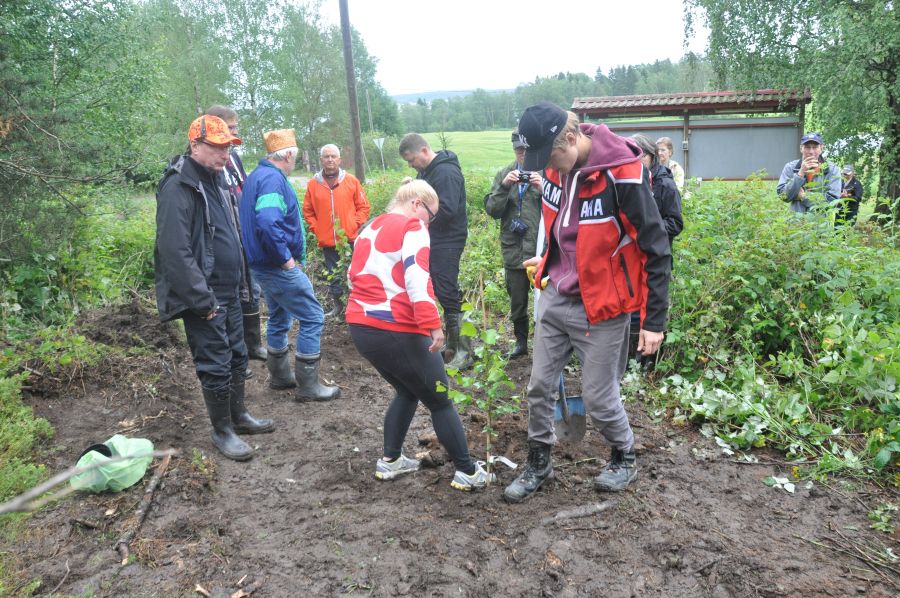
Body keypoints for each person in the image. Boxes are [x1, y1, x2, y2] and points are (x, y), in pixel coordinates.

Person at [503, 102, 671, 503]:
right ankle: (539, 462)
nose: (551, 168)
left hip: (605, 307)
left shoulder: (623, 174)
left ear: (572, 139)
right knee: (539, 387)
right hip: (556, 296)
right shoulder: (554, 169)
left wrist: (654, 320)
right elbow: (563, 227)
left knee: (598, 396)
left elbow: (656, 247)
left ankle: (624, 455)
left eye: (554, 157)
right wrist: (547, 260)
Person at [347, 179, 493, 490]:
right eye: (431, 214)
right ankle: (468, 471)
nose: (430, 222)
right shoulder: (412, 227)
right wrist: (432, 324)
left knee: (408, 390)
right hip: (395, 327)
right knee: (440, 399)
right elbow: (416, 277)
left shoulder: (370, 227)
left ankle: (391, 461)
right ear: (416, 204)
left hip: (361, 326)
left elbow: (352, 275)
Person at [154, 115, 274, 461]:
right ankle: (222, 431)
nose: (225, 154)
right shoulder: (179, 187)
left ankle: (239, 416)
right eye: (217, 147)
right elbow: (174, 251)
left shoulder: (215, 180)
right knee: (215, 362)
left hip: (230, 289)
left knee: (237, 354)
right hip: (203, 295)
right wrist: (200, 298)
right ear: (195, 145)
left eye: (228, 147)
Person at [239, 128, 340, 402]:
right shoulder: (272, 180)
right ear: (286, 155)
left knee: (280, 316)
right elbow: (268, 221)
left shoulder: (257, 176)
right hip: (275, 265)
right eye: (294, 156)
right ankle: (308, 387)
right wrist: (285, 259)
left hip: (261, 265)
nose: (294, 161)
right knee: (312, 316)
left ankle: (281, 376)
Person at [398, 134, 471, 369]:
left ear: (424, 151)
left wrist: (420, 220)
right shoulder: (427, 172)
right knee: (440, 288)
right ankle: (452, 345)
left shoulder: (446, 173)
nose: (411, 165)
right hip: (435, 238)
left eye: (411, 160)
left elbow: (447, 209)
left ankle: (465, 352)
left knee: (447, 288)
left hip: (449, 239)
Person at [205, 105, 267, 369]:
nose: (235, 133)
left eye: (235, 127)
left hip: (243, 230)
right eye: (231, 128)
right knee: (235, 293)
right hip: (224, 235)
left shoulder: (235, 159)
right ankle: (236, 353)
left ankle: (252, 345)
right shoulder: (211, 164)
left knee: (251, 287)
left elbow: (244, 187)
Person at [484, 129, 543, 359]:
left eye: (526, 149)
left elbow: (559, 208)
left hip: (540, 249)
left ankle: (545, 342)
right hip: (514, 249)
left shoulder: (545, 171)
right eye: (518, 149)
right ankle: (521, 342)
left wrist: (543, 188)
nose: (522, 154)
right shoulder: (504, 174)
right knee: (517, 300)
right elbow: (493, 210)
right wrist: (503, 187)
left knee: (545, 300)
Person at [630, 134, 683, 363]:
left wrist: (650, 227)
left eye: (638, 157)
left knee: (652, 307)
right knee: (633, 310)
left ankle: (649, 361)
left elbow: (676, 223)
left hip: (656, 258)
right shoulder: (631, 182)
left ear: (651, 158)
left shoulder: (666, 185)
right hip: (634, 258)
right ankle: (632, 358)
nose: (633, 162)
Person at [302, 143, 371, 318]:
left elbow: (363, 207)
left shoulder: (351, 181)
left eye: (333, 156)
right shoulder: (313, 184)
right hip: (328, 241)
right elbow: (308, 211)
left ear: (339, 159)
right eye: (327, 156)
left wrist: (354, 224)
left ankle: (358, 308)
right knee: (333, 275)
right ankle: (338, 307)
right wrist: (317, 229)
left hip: (350, 239)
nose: (330, 159)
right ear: (321, 160)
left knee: (355, 273)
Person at [777, 132, 841, 214]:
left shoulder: (832, 170)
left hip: (820, 223)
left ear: (821, 148)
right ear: (801, 149)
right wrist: (800, 173)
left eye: (815, 147)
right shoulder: (790, 167)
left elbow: (832, 201)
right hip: (796, 223)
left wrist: (803, 197)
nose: (811, 151)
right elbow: (783, 196)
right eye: (807, 147)